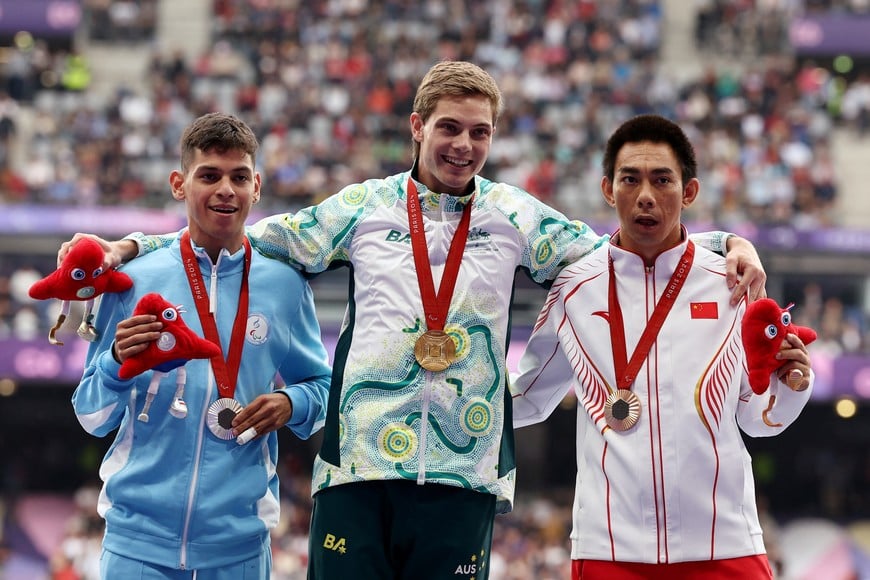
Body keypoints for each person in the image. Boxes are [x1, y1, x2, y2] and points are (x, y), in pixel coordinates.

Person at [60, 61, 767, 580]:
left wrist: (718, 243)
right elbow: (239, 233)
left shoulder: (516, 216)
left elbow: (622, 249)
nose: (464, 144)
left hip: (464, 472)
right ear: (417, 127)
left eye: (480, 133)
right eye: (450, 128)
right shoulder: (361, 207)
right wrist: (137, 246)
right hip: (358, 468)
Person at [511, 114, 814, 580]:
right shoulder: (574, 291)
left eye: (662, 180)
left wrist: (793, 385)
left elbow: (759, 419)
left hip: (724, 544)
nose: (646, 196)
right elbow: (526, 398)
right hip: (608, 550)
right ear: (608, 190)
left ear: (688, 192)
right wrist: (443, 396)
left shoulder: (731, 286)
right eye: (630, 179)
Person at [71, 112, 332, 580]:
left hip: (240, 551)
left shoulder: (285, 285)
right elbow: (92, 417)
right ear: (179, 183)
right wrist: (113, 362)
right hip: (136, 546)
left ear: (258, 186)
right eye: (209, 175)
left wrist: (290, 402)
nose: (225, 190)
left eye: (239, 177)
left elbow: (322, 391)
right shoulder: (133, 279)